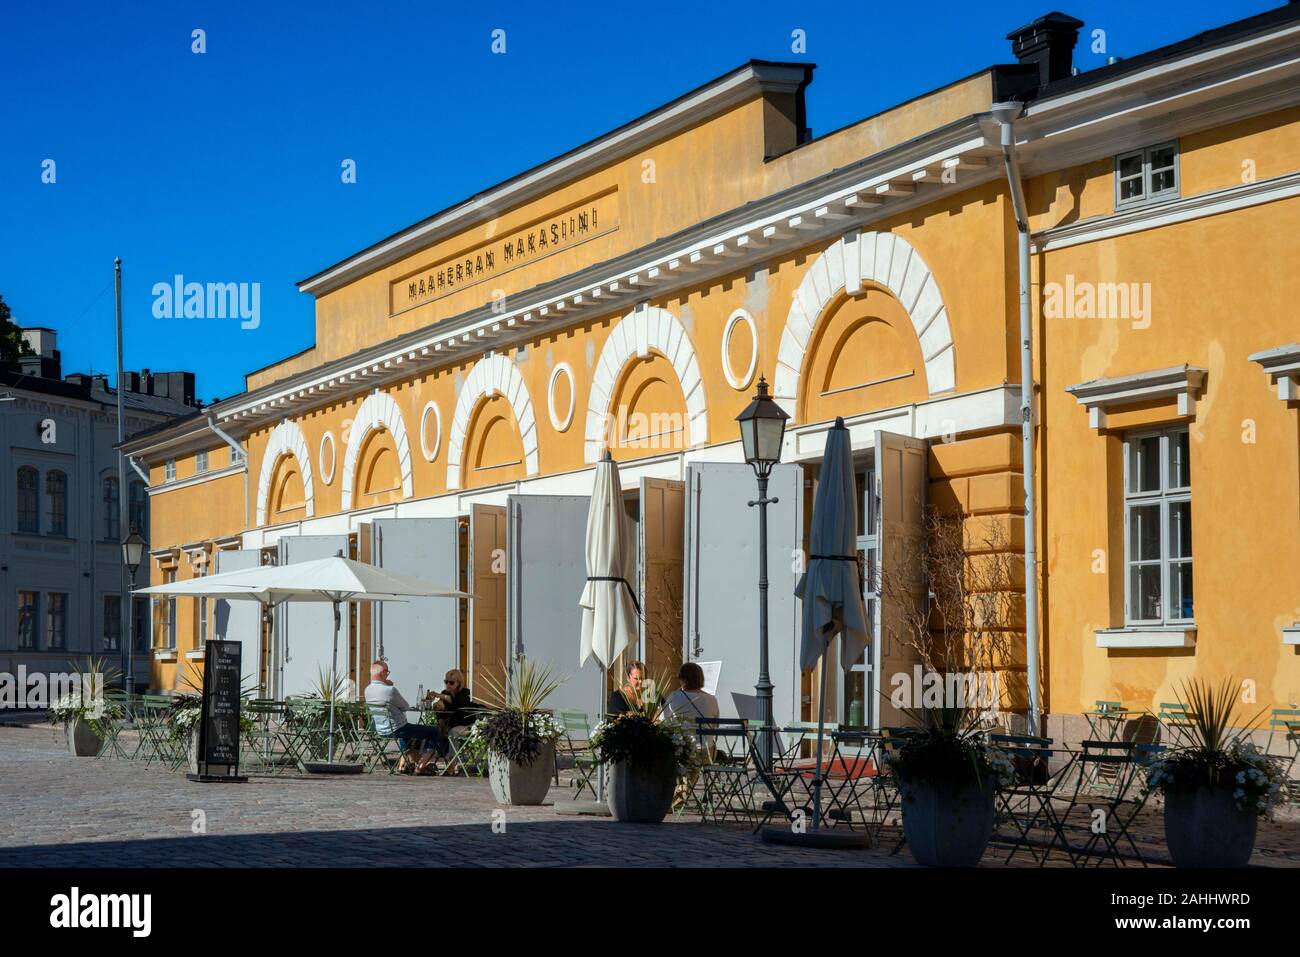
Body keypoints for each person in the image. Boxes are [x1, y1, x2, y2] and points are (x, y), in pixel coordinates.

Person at [364, 660, 442, 774]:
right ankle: (420, 767)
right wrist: (389, 686)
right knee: (434, 731)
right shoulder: (390, 690)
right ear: (382, 673)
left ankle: (404, 764)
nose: (388, 675)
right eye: (387, 672)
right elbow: (405, 707)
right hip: (397, 729)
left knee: (406, 732)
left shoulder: (367, 690)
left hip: (380, 730)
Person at [425, 669, 480, 762]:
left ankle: (452, 762)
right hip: (449, 724)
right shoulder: (445, 693)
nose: (448, 685)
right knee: (431, 731)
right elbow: (440, 712)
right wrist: (441, 721)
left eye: (451, 682)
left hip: (465, 725)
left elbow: (457, 703)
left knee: (453, 732)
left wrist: (439, 696)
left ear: (458, 683)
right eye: (446, 682)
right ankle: (423, 760)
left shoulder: (465, 693)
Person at [660, 662, 720, 727]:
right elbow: (715, 725)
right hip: (705, 737)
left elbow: (665, 720)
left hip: (682, 736)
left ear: (682, 679)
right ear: (701, 678)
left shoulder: (675, 696)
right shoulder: (712, 699)